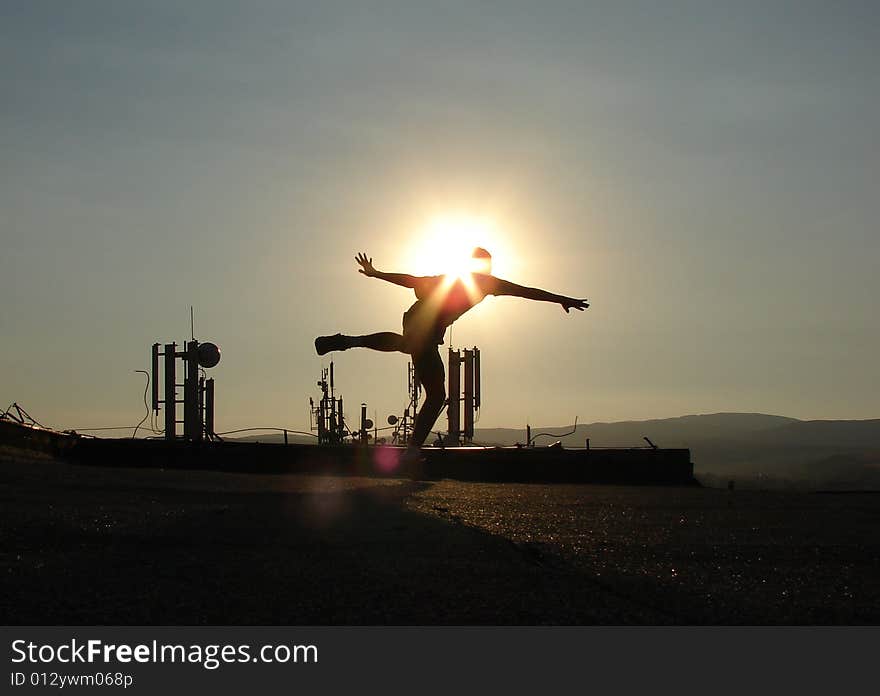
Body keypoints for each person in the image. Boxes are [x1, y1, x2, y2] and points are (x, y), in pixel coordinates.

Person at [315, 249, 588, 451]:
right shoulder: (459, 279)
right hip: (422, 318)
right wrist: (377, 274)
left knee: (435, 393)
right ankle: (346, 341)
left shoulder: (488, 283)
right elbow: (412, 280)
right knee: (413, 351)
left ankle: (412, 450)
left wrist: (561, 299)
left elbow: (526, 291)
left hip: (428, 327)